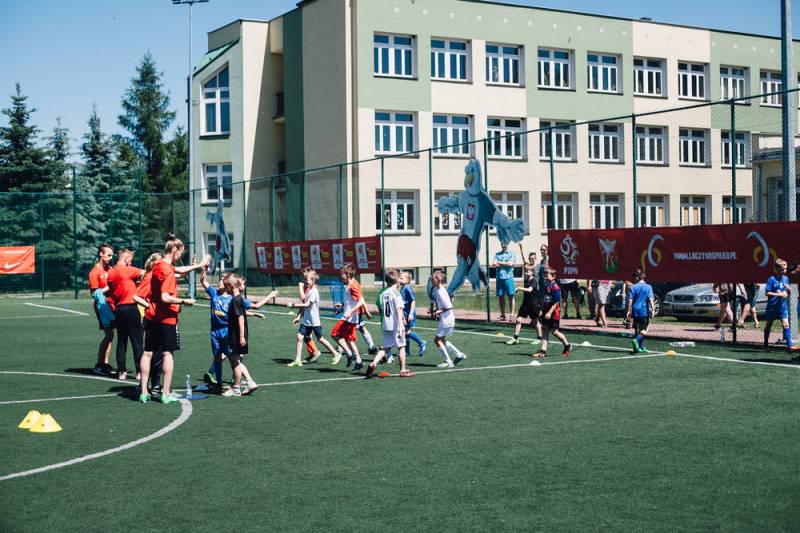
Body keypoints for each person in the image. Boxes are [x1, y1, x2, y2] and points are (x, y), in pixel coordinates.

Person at [138, 235, 199, 404]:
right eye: (180, 253)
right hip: (166, 318)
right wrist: (184, 301)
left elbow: (178, 270)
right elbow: (165, 297)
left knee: (147, 353)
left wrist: (197, 266)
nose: (180, 256)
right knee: (167, 354)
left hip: (152, 316)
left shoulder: (157, 265)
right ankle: (165, 393)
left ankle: (144, 392)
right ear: (175, 250)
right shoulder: (168, 271)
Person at [200, 269, 275, 387]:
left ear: (228, 285)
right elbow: (203, 281)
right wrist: (204, 267)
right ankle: (218, 383)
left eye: (222, 281)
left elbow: (243, 312)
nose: (219, 282)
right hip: (214, 331)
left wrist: (268, 297)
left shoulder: (233, 298)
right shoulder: (214, 293)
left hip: (228, 331)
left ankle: (242, 381)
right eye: (220, 280)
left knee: (234, 358)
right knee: (218, 357)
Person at [286, 269, 341, 367]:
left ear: (313, 280)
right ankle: (298, 360)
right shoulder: (309, 290)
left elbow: (307, 304)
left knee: (320, 339)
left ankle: (336, 354)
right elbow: (304, 303)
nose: (306, 281)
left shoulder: (314, 292)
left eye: (307, 279)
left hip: (314, 321)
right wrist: (298, 317)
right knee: (299, 337)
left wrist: (293, 305)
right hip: (306, 321)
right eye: (306, 279)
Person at [366, 269, 415, 378]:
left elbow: (381, 308)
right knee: (401, 347)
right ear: (397, 280)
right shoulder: (396, 294)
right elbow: (399, 310)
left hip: (386, 324)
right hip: (395, 325)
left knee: (386, 347)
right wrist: (401, 326)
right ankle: (402, 370)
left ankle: (373, 363)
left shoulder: (383, 293)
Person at [107, 248, 144, 381]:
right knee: (137, 341)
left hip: (118, 309)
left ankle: (121, 371)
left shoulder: (111, 272)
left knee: (121, 341)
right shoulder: (128, 270)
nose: (131, 262)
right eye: (130, 260)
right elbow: (146, 272)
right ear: (126, 258)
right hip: (131, 308)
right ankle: (140, 371)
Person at [222, 274, 259, 396]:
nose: (225, 288)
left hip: (237, 335)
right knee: (236, 360)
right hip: (236, 334)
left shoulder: (236, 300)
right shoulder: (238, 299)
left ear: (231, 286)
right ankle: (250, 382)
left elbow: (241, 318)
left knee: (236, 362)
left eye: (226, 286)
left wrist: (241, 337)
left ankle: (236, 388)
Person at [330, 263, 367, 370]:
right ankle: (358, 361)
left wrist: (350, 311)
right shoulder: (349, 284)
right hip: (348, 316)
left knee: (334, 334)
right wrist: (342, 308)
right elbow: (351, 302)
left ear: (347, 275)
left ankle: (349, 354)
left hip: (350, 318)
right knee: (348, 339)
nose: (340, 276)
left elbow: (361, 301)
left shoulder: (353, 285)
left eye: (342, 274)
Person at [430, 270, 467, 368]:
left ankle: (448, 361)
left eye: (433, 280)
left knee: (437, 340)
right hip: (448, 318)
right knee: (441, 340)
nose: (432, 282)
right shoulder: (441, 290)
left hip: (446, 320)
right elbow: (445, 305)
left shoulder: (440, 292)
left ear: (438, 280)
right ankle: (459, 354)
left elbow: (449, 306)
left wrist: (438, 311)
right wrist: (435, 310)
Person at [89, 243, 115, 375]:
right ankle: (99, 364)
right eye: (108, 255)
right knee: (109, 334)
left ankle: (105, 364)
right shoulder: (94, 272)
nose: (111, 258)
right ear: (101, 254)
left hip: (112, 306)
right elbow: (94, 293)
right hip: (102, 307)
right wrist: (109, 287)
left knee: (111, 335)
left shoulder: (110, 269)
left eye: (112, 255)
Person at [532, 268, 571, 358]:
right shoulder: (547, 285)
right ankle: (543, 351)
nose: (545, 277)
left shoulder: (555, 287)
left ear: (554, 277)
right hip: (546, 312)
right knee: (545, 330)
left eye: (547, 276)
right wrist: (542, 310)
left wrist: (549, 312)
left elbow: (556, 302)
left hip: (554, 313)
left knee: (554, 331)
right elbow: (545, 299)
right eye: (545, 276)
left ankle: (567, 345)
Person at [763, 259, 799, 353]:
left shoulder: (786, 278)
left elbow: (787, 292)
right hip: (772, 307)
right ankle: (765, 346)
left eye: (785, 269)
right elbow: (767, 293)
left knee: (786, 324)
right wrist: (779, 294)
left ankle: (789, 346)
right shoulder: (771, 279)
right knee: (769, 325)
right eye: (782, 269)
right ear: (776, 269)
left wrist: (789, 290)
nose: (784, 271)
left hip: (782, 307)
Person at [506, 263, 542, 345]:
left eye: (527, 271)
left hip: (533, 304)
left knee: (535, 321)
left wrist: (519, 288)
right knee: (518, 320)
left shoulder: (534, 280)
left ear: (532, 272)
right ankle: (515, 338)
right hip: (525, 304)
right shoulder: (526, 280)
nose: (525, 273)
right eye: (525, 271)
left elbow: (529, 290)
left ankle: (539, 338)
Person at [626, 269, 654, 354]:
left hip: (635, 310)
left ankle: (640, 347)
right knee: (645, 329)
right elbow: (651, 299)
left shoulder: (633, 287)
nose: (633, 279)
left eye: (634, 277)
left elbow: (630, 300)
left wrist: (628, 310)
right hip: (643, 311)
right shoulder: (648, 287)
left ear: (637, 278)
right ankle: (636, 340)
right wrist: (653, 309)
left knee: (637, 329)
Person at [399, 271, 426, 356]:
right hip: (405, 313)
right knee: (406, 332)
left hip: (409, 313)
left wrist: (410, 314)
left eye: (401, 278)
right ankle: (407, 351)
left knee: (407, 331)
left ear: (407, 280)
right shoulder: (402, 288)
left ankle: (421, 343)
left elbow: (413, 301)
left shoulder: (407, 288)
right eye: (399, 278)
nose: (400, 279)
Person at [492, 241, 516, 321]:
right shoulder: (497, 254)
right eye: (502, 243)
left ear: (507, 244)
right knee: (501, 297)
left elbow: (510, 264)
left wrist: (499, 263)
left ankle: (512, 315)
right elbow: (494, 264)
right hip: (499, 278)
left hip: (508, 277)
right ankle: (503, 315)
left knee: (511, 296)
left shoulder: (511, 254)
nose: (503, 245)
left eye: (505, 243)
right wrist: (505, 263)